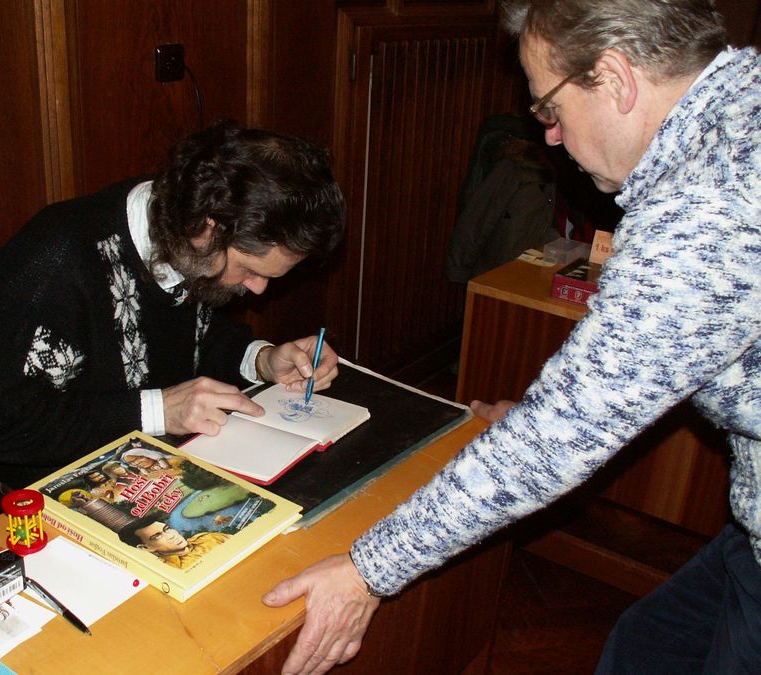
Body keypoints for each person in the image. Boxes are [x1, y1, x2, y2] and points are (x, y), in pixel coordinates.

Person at [262, 1, 760, 672]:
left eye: (550, 108)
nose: (549, 136)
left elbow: (562, 437)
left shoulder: (709, 205)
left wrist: (365, 571)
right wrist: (539, 421)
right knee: (648, 645)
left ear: (616, 80)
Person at [0, 120, 346, 490]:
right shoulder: (59, 260)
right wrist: (157, 411)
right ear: (207, 226)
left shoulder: (180, 232)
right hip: (59, 499)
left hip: (164, 470)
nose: (258, 289)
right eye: (249, 270)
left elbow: (193, 336)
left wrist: (260, 360)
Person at [117, 515, 229, 569]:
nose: (171, 536)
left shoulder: (207, 538)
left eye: (167, 529)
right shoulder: (169, 569)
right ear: (145, 548)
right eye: (157, 536)